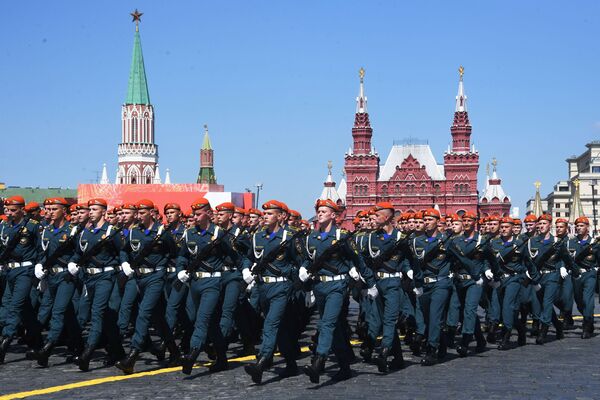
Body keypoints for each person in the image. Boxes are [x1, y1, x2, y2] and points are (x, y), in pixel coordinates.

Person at [242, 200, 302, 384]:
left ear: (281, 216)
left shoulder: (290, 236)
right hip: (262, 287)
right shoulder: (257, 236)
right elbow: (248, 256)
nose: (265, 217)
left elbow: (301, 261)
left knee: (270, 324)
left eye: (269, 214)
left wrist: (300, 282)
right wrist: (246, 268)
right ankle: (291, 363)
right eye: (264, 213)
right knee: (280, 327)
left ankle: (261, 362)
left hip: (281, 287)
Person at [69, 198, 127, 371]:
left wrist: (124, 264)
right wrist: (72, 262)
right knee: (107, 318)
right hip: (89, 278)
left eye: (94, 209)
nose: (91, 212)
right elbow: (78, 253)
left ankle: (87, 352)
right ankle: (118, 352)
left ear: (103, 211)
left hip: (106, 277)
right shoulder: (85, 233)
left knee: (97, 313)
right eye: (90, 209)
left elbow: (122, 251)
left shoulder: (112, 231)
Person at [0, 196, 43, 363]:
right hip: (9, 270)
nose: (9, 213)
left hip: (26, 270)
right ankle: (37, 341)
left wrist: (40, 266)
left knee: (16, 305)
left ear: (21, 210)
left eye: (13, 210)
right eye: (7, 210)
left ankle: (5, 340)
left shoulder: (32, 226)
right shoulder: (4, 226)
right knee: (21, 308)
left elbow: (41, 249)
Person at [567, 216, 599, 338]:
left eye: (581, 226)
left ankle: (587, 324)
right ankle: (588, 316)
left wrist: (596, 269)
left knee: (588, 300)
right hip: (576, 275)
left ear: (587, 227)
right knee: (579, 301)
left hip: (589, 274)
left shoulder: (594, 244)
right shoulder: (571, 242)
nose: (579, 228)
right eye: (577, 226)